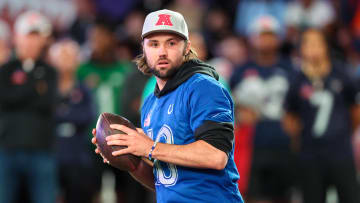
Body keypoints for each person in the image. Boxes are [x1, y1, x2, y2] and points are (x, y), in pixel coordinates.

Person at [92, 9, 244, 203]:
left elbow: (216, 156)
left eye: (171, 43)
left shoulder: (204, 88)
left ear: (187, 47)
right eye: (154, 44)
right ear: (143, 49)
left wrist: (149, 146)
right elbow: (165, 180)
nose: (162, 52)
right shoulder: (150, 103)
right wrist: (130, 159)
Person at [283, 28, 360, 203]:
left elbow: (356, 110)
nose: (313, 48)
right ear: (301, 49)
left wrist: (345, 132)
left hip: (341, 152)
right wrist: (300, 140)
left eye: (318, 43)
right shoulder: (297, 79)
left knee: (351, 197)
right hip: (310, 155)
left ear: (326, 47)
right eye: (308, 44)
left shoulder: (342, 73)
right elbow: (289, 116)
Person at [230, 16, 296, 203]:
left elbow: (300, 104)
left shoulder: (290, 69)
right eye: (261, 35)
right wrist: (240, 113)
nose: (265, 40)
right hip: (252, 144)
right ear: (252, 38)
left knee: (285, 195)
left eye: (270, 35)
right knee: (252, 195)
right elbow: (227, 104)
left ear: (278, 38)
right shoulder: (240, 71)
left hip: (283, 142)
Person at [0, 11, 58, 203]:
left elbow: (47, 102)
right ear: (17, 37)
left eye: (37, 37)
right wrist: (34, 87)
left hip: (41, 150)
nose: (33, 42)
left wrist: (21, 91)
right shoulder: (5, 70)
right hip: (7, 149)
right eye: (29, 36)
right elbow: (6, 99)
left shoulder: (50, 72)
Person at [49, 39, 97, 203]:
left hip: (78, 154)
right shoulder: (46, 88)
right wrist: (69, 114)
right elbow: (44, 117)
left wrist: (61, 114)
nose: (66, 60)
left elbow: (87, 116)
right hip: (50, 152)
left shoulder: (83, 89)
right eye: (62, 56)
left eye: (70, 56)